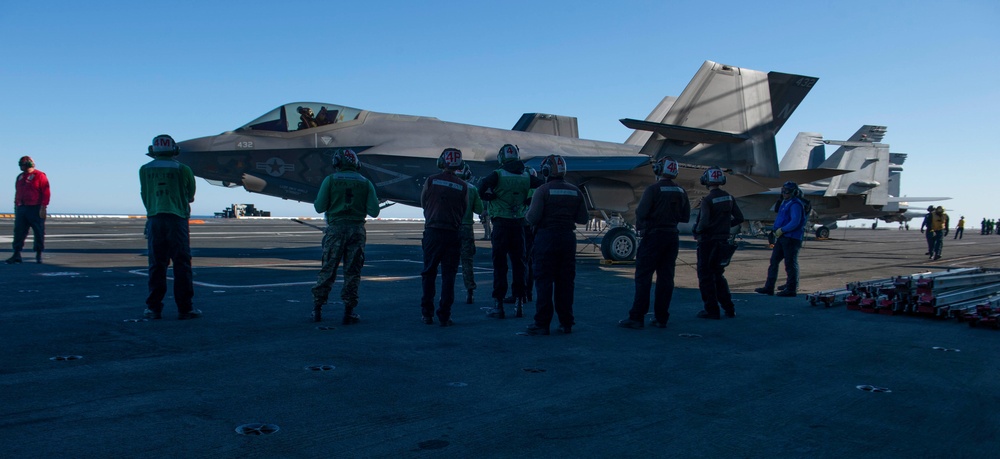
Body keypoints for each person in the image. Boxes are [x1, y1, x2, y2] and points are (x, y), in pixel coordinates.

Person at [618, 157, 690, 329]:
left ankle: (637, 317)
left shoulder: (653, 189)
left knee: (643, 278)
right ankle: (661, 318)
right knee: (666, 279)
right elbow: (685, 216)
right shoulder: (681, 191)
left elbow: (641, 212)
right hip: (672, 237)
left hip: (653, 237)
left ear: (659, 169)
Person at [311, 149, 380, 324]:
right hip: (356, 231)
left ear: (337, 163)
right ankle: (348, 311)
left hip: (335, 230)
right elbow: (374, 211)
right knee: (352, 271)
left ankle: (317, 309)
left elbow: (319, 207)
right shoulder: (366, 183)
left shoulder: (331, 180)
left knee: (328, 269)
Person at [522, 155, 589, 336]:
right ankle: (566, 322)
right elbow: (583, 218)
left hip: (546, 239)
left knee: (544, 283)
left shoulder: (542, 190)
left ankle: (542, 324)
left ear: (546, 171)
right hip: (568, 239)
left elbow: (532, 218)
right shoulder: (575, 191)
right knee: (566, 283)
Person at [478, 144, 543, 319]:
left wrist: (490, 197)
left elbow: (480, 188)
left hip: (500, 225)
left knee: (500, 265)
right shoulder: (527, 175)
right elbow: (542, 185)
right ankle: (519, 303)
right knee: (520, 264)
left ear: (501, 157)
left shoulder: (497, 174)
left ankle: (498, 305)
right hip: (519, 225)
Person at [139, 135, 200, 320]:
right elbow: (190, 194)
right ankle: (185, 308)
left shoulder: (144, 169)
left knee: (157, 265)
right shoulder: (183, 169)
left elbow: (144, 194)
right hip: (177, 219)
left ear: (153, 150)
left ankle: (153, 308)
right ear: (174, 150)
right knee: (181, 265)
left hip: (155, 219)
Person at [419, 148, 468, 326]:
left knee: (429, 273)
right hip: (452, 233)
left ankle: (427, 314)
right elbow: (464, 209)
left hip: (433, 231)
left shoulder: (431, 180)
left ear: (442, 162)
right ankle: (445, 315)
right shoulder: (463, 186)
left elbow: (423, 202)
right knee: (449, 276)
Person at [693, 167, 744, 319]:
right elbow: (739, 218)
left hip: (708, 242)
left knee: (705, 276)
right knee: (718, 275)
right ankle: (729, 308)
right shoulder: (729, 198)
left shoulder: (707, 200)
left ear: (706, 181)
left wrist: (697, 231)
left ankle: (711, 310)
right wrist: (725, 226)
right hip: (723, 242)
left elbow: (704, 221)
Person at [754, 181, 807, 298]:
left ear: (794, 192)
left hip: (792, 238)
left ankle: (791, 289)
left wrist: (782, 230)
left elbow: (795, 221)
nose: (784, 193)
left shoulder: (795, 204)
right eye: (783, 191)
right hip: (783, 237)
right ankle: (769, 287)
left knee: (790, 263)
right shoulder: (785, 202)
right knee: (774, 262)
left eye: (787, 191)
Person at [7, 156, 50, 264]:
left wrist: (43, 206)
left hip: (35, 208)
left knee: (38, 231)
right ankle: (16, 254)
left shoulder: (40, 175)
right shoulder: (20, 177)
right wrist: (16, 206)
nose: (21, 167)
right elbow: (17, 192)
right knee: (18, 232)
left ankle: (38, 254)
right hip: (22, 207)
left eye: (22, 164)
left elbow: (46, 192)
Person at [458, 163, 484, 304]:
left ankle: (445, 292)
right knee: (467, 261)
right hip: (466, 227)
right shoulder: (472, 189)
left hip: (449, 227)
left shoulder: (446, 185)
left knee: (447, 261)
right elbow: (479, 209)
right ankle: (470, 291)